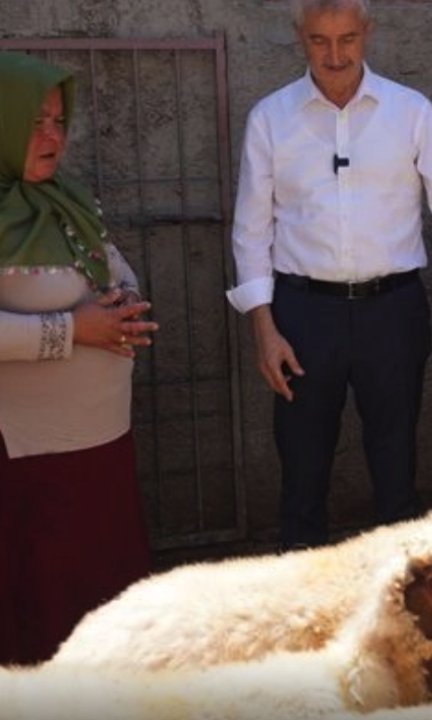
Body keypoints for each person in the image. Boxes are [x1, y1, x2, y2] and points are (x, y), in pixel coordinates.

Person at [226, 0, 432, 551]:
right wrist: (264, 328)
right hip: (303, 316)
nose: (335, 54)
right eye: (320, 40)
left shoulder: (410, 111)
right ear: (300, 36)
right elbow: (251, 229)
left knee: (397, 468)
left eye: (347, 39)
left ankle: (403, 606)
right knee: (302, 473)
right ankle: (305, 613)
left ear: (367, 33)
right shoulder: (271, 119)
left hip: (392, 312)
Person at [0, 52, 159, 664]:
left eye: (59, 120)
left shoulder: (67, 198)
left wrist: (124, 303)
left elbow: (113, 271)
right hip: (27, 463)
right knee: (42, 609)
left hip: (100, 449)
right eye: (35, 120)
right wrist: (75, 330)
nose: (52, 135)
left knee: (103, 602)